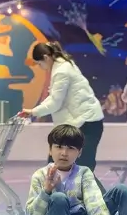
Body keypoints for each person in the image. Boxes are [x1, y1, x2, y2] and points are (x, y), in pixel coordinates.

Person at [24, 42, 105, 173]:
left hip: (87, 123)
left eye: (39, 64)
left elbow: (55, 103)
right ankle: (54, 192)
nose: (41, 67)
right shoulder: (64, 66)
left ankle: (98, 194)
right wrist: (34, 111)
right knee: (56, 166)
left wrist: (33, 112)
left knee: (83, 171)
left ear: (46, 57)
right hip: (80, 123)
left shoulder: (61, 71)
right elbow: (55, 98)